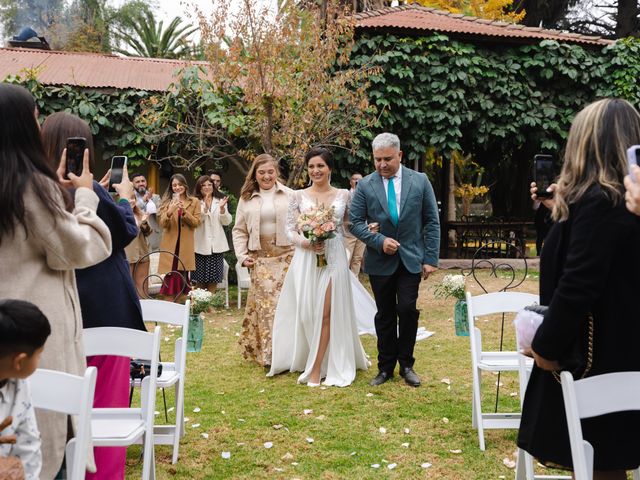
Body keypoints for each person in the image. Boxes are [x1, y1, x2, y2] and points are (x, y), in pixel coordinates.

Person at [518, 98, 640, 479]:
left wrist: (545, 348)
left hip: (594, 358)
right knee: (605, 460)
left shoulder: (600, 202)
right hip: (623, 350)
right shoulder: (622, 203)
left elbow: (577, 285)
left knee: (597, 460)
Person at [0, 83, 111, 479]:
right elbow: (81, 248)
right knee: (42, 453)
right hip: (35, 334)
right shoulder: (28, 184)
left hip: (5, 335)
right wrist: (83, 197)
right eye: (34, 116)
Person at [41, 111, 146, 480]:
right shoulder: (92, 193)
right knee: (104, 407)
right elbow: (127, 229)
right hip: (106, 309)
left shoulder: (36, 191)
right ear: (84, 149)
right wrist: (121, 198)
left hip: (57, 313)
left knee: (59, 408)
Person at [268, 148, 370, 387]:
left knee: (326, 312)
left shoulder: (344, 194)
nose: (316, 171)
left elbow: (348, 225)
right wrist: (306, 242)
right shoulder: (297, 196)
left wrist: (368, 230)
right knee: (308, 314)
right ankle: (314, 358)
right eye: (312, 166)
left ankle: (316, 369)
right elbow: (289, 230)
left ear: (330, 168)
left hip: (333, 256)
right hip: (306, 259)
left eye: (320, 166)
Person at [350, 132, 440, 388]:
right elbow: (355, 223)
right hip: (380, 261)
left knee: (407, 309)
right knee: (385, 314)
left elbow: (432, 222)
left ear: (399, 155)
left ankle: (407, 365)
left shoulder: (420, 181)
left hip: (412, 258)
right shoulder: (366, 185)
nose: (381, 165)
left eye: (387, 159)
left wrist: (430, 258)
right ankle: (385, 367)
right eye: (377, 159)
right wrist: (379, 241)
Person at [232, 154, 294, 367]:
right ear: (255, 175)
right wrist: (242, 255)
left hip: (288, 258)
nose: (266, 176)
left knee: (287, 306)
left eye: (270, 171)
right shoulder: (247, 198)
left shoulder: (290, 195)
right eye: (261, 172)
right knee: (267, 307)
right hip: (261, 260)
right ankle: (270, 355)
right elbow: (239, 230)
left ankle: (290, 352)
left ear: (276, 172)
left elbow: (300, 225)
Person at [0, 300, 51, 480]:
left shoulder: (19, 386)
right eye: (39, 354)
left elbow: (28, 444)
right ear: (19, 361)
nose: (40, 358)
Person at [158, 173, 201, 298]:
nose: (177, 187)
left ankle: (180, 306)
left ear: (185, 186)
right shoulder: (166, 202)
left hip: (185, 245)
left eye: (180, 184)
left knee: (182, 274)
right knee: (171, 274)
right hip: (170, 244)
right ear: (171, 187)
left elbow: (196, 223)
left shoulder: (194, 201)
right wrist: (170, 211)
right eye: (174, 185)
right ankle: (170, 304)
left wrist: (184, 212)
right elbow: (162, 224)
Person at [192, 175, 232, 293]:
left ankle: (210, 304)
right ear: (199, 187)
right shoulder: (195, 201)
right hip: (200, 244)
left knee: (213, 278)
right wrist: (204, 211)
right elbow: (195, 222)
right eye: (203, 185)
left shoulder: (220, 200)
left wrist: (222, 210)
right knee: (199, 278)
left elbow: (227, 222)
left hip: (216, 245)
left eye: (209, 184)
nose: (207, 187)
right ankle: (200, 304)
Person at [124, 198, 152, 297]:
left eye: (133, 198)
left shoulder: (140, 213)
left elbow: (148, 232)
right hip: (128, 255)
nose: (131, 201)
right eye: (128, 198)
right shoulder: (119, 213)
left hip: (142, 253)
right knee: (128, 286)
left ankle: (145, 309)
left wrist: (144, 222)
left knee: (143, 286)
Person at [131, 173, 162, 251]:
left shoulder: (155, 197)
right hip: (137, 236)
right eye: (137, 182)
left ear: (146, 182)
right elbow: (130, 211)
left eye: (143, 181)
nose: (141, 183)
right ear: (132, 184)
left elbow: (160, 213)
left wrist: (151, 201)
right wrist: (143, 201)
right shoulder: (130, 198)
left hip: (153, 237)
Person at [343, 172, 366, 275]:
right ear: (350, 182)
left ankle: (355, 283)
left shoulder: (366, 195)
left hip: (362, 231)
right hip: (348, 233)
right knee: (346, 258)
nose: (357, 181)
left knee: (357, 259)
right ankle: (344, 283)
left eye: (360, 179)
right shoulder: (346, 195)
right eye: (355, 179)